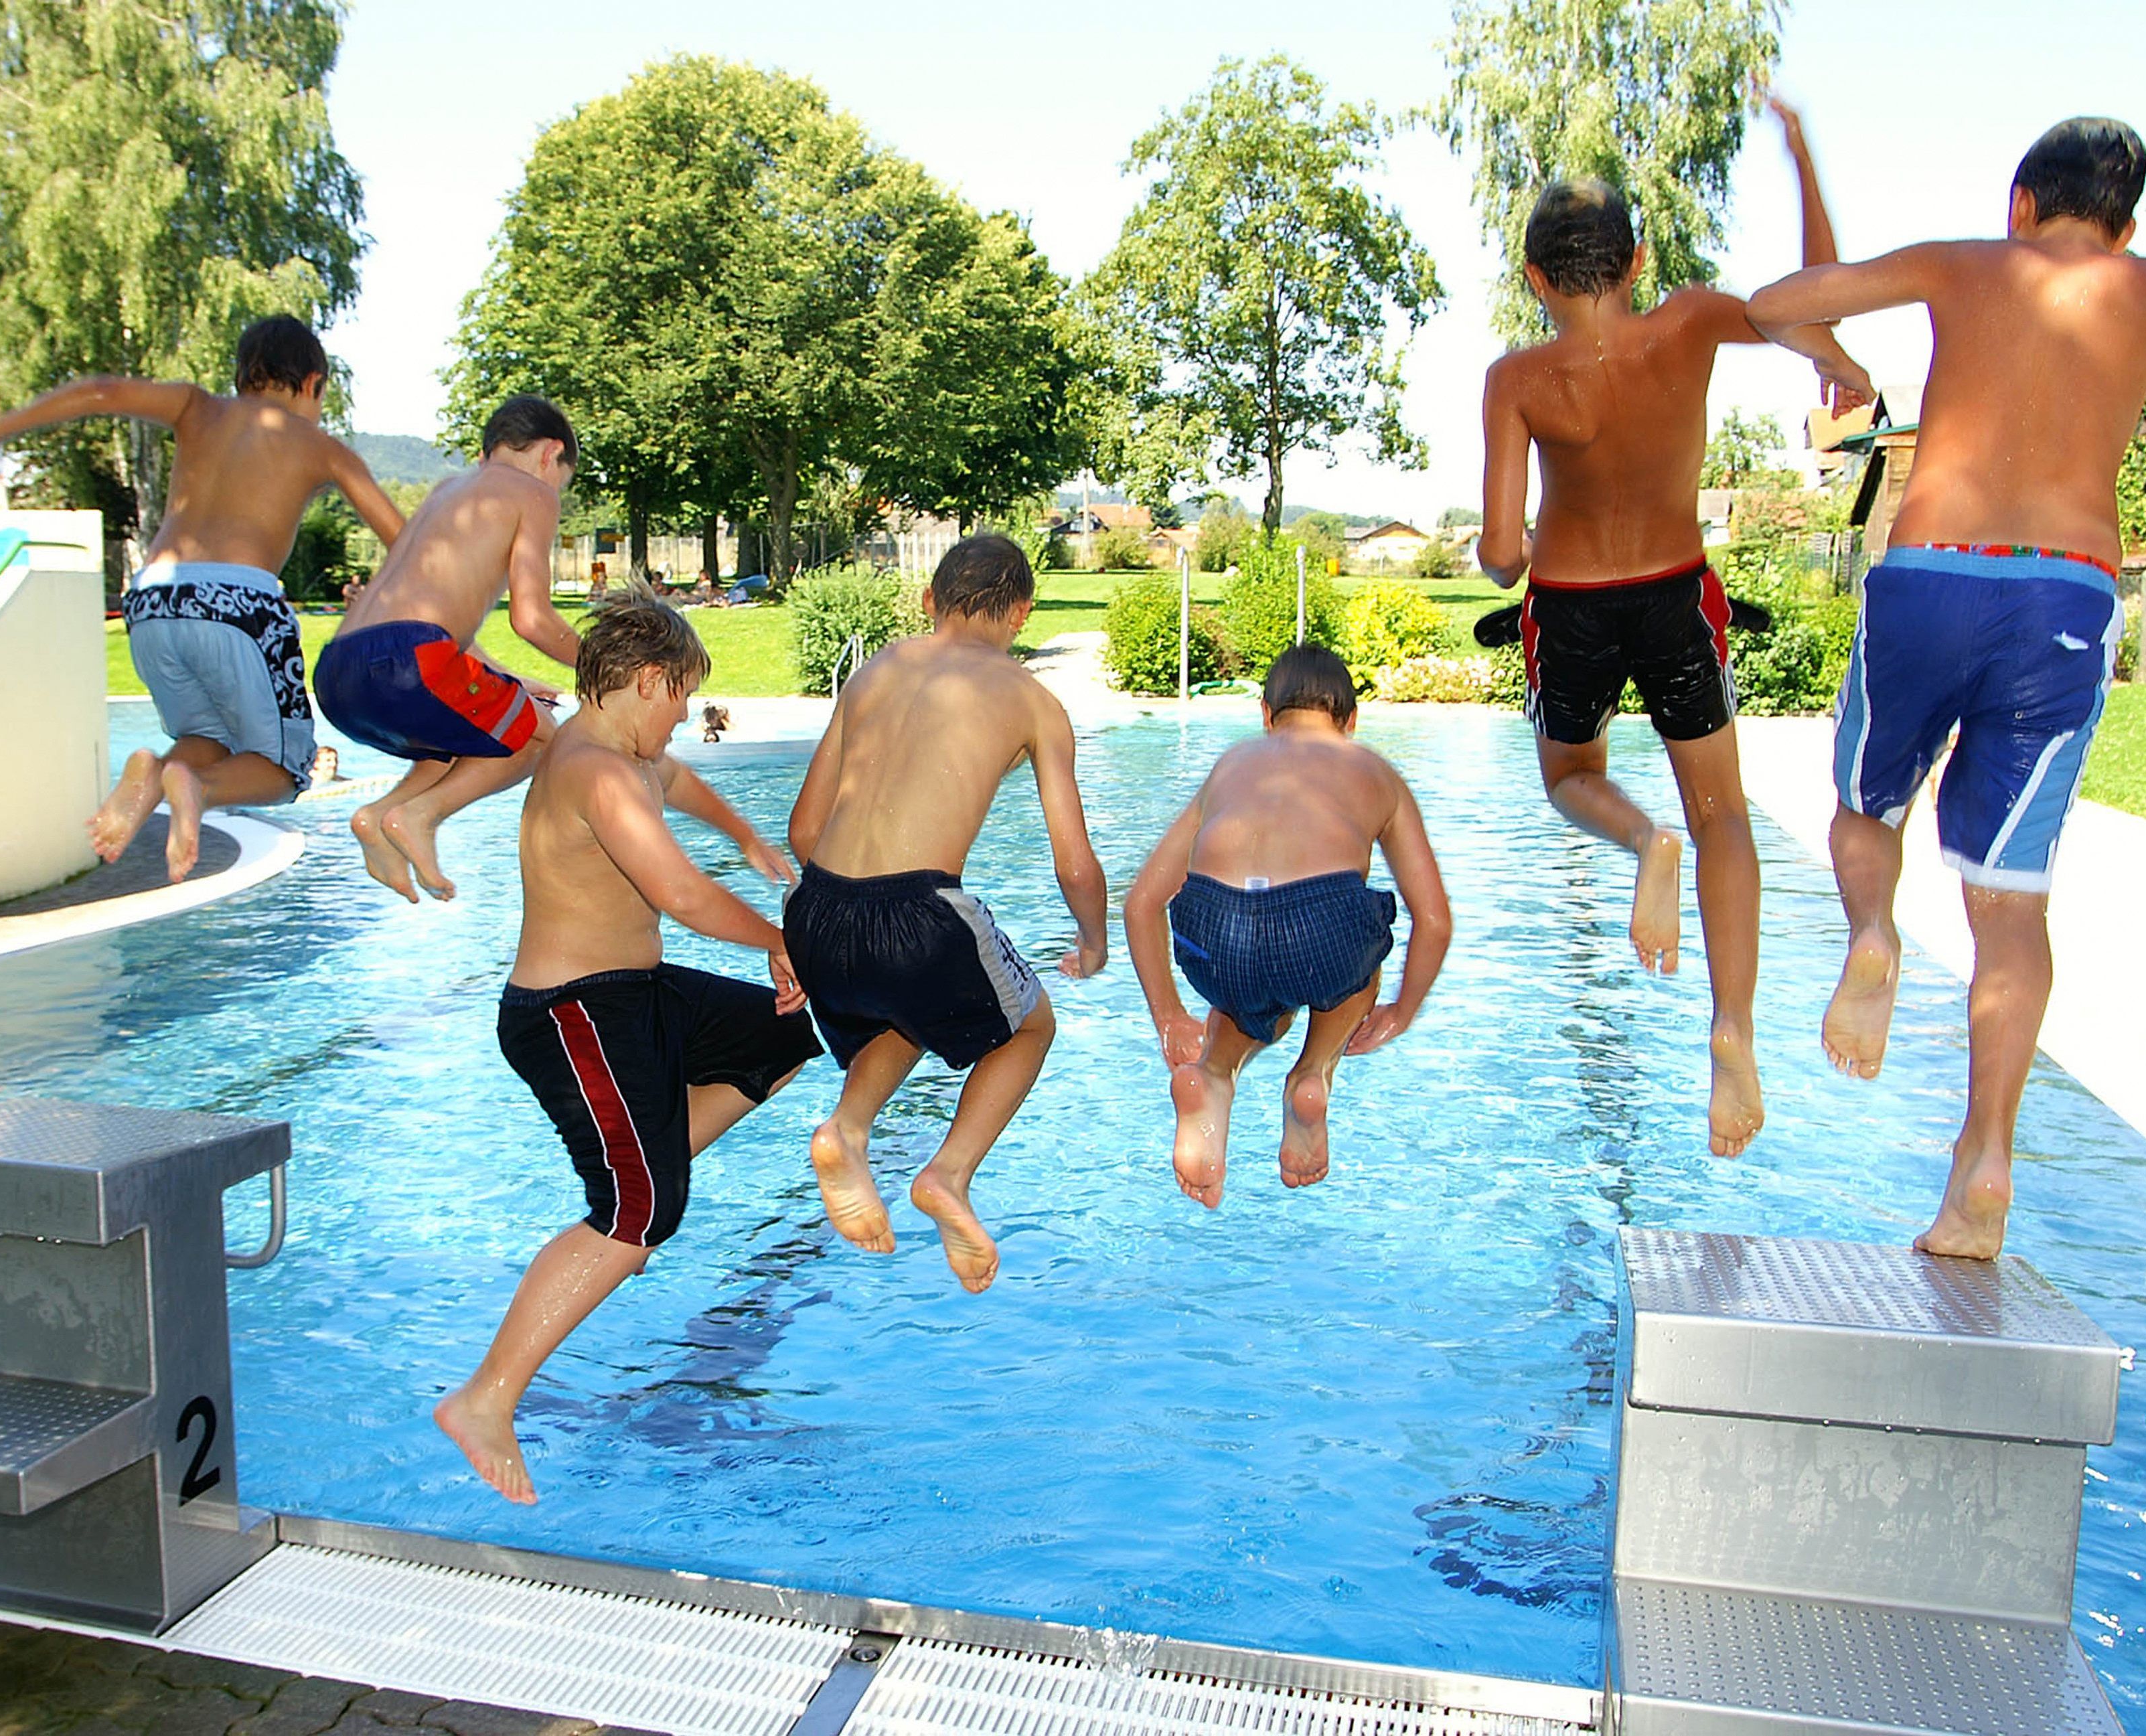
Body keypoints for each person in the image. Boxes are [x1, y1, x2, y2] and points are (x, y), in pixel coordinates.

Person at [1748, 117, 2146, 1258]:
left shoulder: (1965, 263)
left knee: (1860, 808)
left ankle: (1873, 937)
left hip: (1932, 575)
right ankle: (1982, 1159)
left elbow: (1775, 302)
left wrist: (1830, 357)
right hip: (2067, 600)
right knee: (2011, 904)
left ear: (2018, 204)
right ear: (2125, 228)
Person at [1474, 99, 1872, 1159]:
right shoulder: (1692, 320)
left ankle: (1639, 837)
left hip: (1568, 605)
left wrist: (1501, 560)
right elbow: (1817, 304)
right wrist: (1801, 157)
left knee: (1570, 780)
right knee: (1726, 819)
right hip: (1676, 594)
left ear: (1535, 280)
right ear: (1640, 258)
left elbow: (1503, 553)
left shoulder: (1518, 379)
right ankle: (1732, 1029)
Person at [435, 599, 818, 1504]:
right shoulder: (596, 771)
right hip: (571, 1014)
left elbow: (682, 787)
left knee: (791, 1027)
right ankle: (484, 1400)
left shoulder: (635, 758)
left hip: (639, 997)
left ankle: (644, 1163)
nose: (682, 717)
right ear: (650, 681)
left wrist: (747, 834)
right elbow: (679, 893)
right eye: (680, 699)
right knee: (640, 1216)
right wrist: (777, 937)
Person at [0, 316, 403, 882]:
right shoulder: (321, 446)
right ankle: (197, 787)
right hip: (238, 604)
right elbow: (405, 545)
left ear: (241, 376)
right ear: (314, 383)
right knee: (285, 771)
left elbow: (103, 392)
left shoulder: (195, 406)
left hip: (152, 600)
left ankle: (159, 774)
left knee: (207, 737)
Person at [781, 534, 1108, 1293]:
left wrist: (838, 912)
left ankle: (846, 1129)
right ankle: (949, 1176)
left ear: (929, 601)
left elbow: (803, 828)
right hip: (918, 913)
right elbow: (1074, 863)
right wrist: (1093, 941)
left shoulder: (875, 669)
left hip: (815, 911)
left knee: (918, 1009)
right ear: (1022, 613)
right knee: (1030, 1025)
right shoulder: (1032, 700)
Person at [1124, 646, 1452, 1208]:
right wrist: (1401, 1011)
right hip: (1318, 931)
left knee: (1253, 988)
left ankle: (1214, 1075)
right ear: (1350, 721)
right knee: (1355, 948)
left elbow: (1140, 904)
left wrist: (1169, 1016)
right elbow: (1434, 920)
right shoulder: (1375, 771)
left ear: (1266, 714)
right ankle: (1311, 1076)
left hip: (1210, 935)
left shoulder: (1231, 764)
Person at [314, 394, 581, 903]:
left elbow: (419, 616)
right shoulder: (532, 493)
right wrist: (602, 664)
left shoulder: (446, 491)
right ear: (549, 454)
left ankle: (379, 815)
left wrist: (508, 677)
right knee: (539, 734)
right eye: (560, 482)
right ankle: (419, 815)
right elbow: (532, 619)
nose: (556, 494)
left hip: (338, 672)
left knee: (465, 734)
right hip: (409, 662)